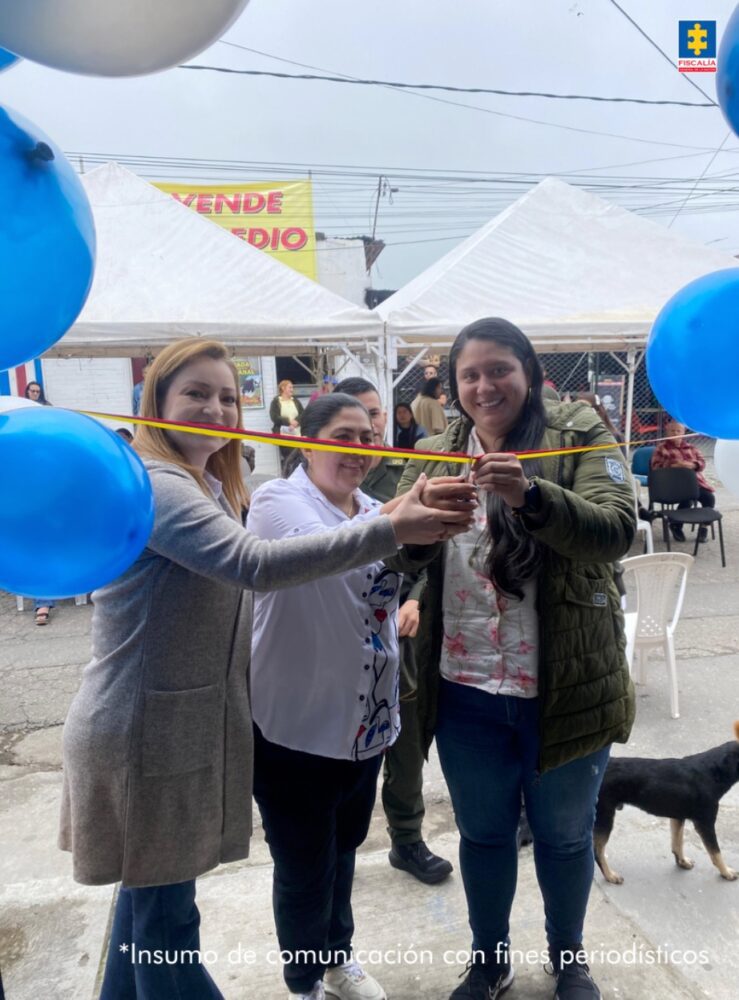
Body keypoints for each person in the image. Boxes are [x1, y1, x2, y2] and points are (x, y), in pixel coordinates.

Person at [58, 338, 461, 1000]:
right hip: (143, 732)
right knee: (166, 932)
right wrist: (396, 529)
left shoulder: (209, 486)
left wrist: (397, 522)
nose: (215, 408)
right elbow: (257, 566)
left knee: (144, 917)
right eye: (195, 393)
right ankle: (308, 976)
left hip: (175, 728)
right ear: (155, 400)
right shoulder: (159, 484)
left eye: (226, 395)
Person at [396, 317, 636, 1000]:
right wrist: (417, 529)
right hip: (466, 687)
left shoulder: (579, 431)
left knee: (563, 839)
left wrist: (529, 496)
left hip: (565, 687)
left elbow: (616, 529)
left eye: (498, 368)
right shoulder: (437, 449)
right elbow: (397, 550)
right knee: (484, 836)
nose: (483, 385)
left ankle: (568, 961)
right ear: (454, 385)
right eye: (469, 374)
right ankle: (489, 960)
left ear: (528, 373)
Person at [248, 394, 474, 1000]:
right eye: (343, 436)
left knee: (345, 852)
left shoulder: (376, 506)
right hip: (296, 723)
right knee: (303, 868)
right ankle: (303, 983)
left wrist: (422, 541)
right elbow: (328, 555)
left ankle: (336, 958)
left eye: (367, 437)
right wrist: (403, 517)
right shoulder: (278, 502)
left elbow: (400, 563)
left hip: (366, 721)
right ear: (308, 442)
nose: (358, 449)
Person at [334, 377, 454, 886]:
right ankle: (335, 845)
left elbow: (427, 551)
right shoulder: (320, 480)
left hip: (397, 636)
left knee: (403, 742)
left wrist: (414, 597)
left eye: (376, 416)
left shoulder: (405, 472)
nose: (370, 430)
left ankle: (407, 838)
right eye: (357, 420)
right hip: (339, 640)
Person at [651, 416, 715, 542]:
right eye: (672, 431)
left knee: (709, 498)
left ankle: (703, 527)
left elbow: (702, 462)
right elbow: (655, 467)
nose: (675, 433)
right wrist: (673, 466)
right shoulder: (661, 448)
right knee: (688, 498)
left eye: (678, 431)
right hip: (673, 484)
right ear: (667, 432)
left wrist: (693, 465)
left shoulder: (691, 448)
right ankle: (676, 526)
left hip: (695, 483)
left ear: (683, 433)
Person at [270, 379, 305, 469]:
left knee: (300, 458)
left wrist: (297, 421)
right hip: (284, 436)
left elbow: (303, 414)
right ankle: (288, 476)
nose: (292, 389)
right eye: (290, 387)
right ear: (283, 388)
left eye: (292, 387)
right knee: (289, 459)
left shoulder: (295, 401)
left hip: (298, 435)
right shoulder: (276, 402)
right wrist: (288, 422)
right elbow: (274, 417)